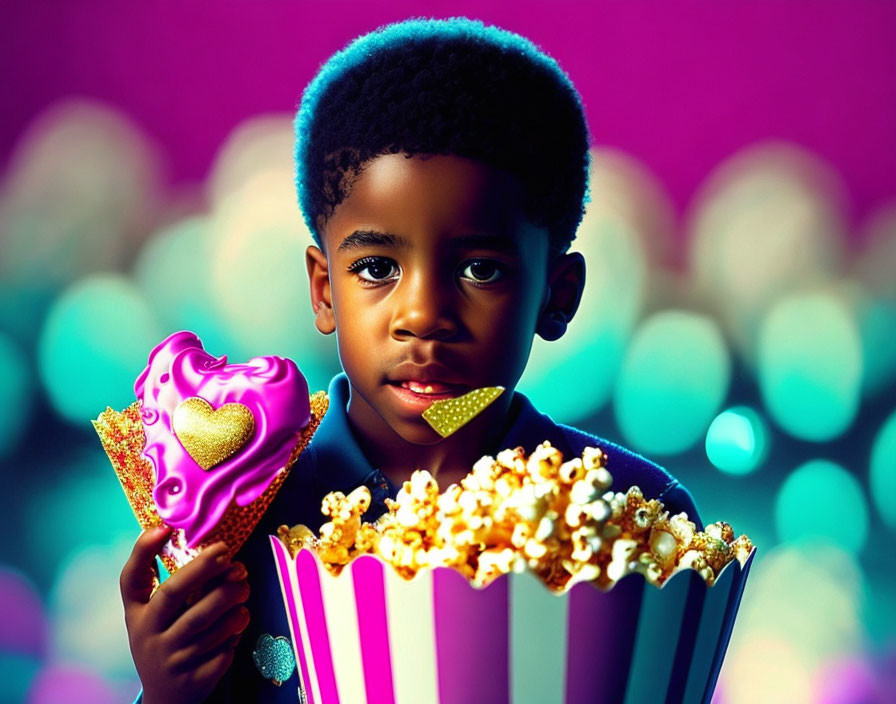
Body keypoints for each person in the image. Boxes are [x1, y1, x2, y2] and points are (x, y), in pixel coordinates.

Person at [120, 16, 702, 704]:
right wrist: (166, 693)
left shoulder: (638, 520)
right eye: (375, 266)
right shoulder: (242, 509)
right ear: (322, 289)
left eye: (481, 269)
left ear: (558, 295)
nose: (423, 315)